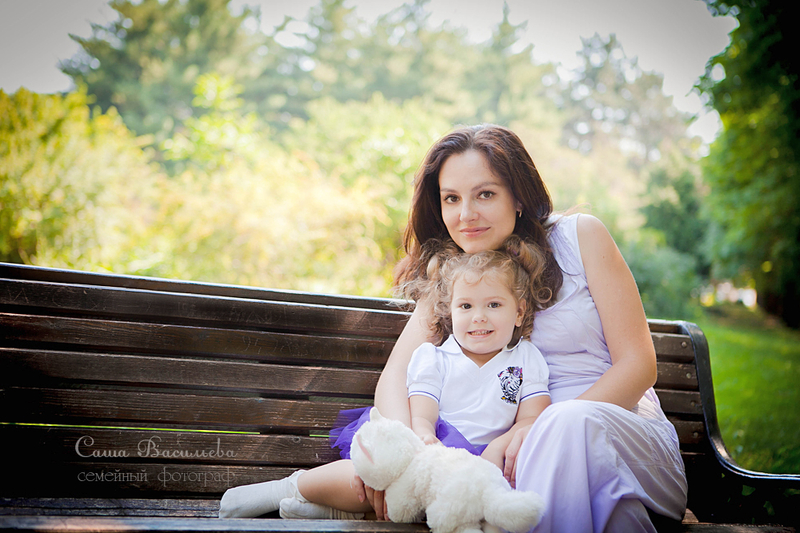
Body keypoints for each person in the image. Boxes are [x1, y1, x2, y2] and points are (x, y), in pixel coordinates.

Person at [361, 124, 688, 532]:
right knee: (613, 516)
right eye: (451, 198)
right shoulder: (455, 276)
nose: (466, 215)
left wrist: (540, 429)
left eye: (485, 194)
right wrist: (406, 453)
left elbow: (639, 365)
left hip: (620, 436)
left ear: (518, 196)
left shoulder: (580, 237)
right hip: (514, 461)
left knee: (568, 427)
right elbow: (396, 375)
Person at [218, 237, 551, 520]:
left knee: (456, 503)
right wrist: (423, 436)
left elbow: (532, 417)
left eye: (493, 305)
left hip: (483, 463)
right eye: (466, 306)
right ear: (450, 311)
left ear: (519, 311)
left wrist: (502, 445)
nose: (478, 317)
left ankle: (337, 513)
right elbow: (423, 410)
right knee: (374, 474)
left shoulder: (525, 358)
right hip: (433, 445)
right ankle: (287, 488)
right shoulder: (435, 357)